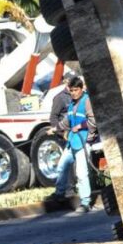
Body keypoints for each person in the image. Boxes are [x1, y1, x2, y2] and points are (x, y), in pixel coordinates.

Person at [45, 77, 96, 213]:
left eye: (76, 90)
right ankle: (59, 194)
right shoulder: (72, 104)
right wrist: (55, 129)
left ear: (81, 89)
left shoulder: (87, 101)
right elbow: (67, 120)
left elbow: (93, 121)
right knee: (62, 166)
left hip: (83, 142)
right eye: (71, 90)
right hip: (72, 142)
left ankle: (85, 202)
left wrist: (79, 126)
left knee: (81, 173)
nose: (73, 93)